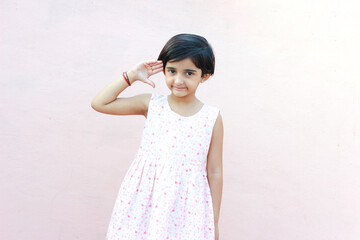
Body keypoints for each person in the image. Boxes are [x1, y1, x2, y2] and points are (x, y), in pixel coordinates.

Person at [91, 33, 223, 240]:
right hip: (145, 201)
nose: (178, 80)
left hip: (188, 207)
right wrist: (131, 76)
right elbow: (100, 103)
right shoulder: (152, 104)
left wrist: (213, 222)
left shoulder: (211, 117)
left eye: (189, 73)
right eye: (171, 71)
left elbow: (214, 171)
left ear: (204, 76)